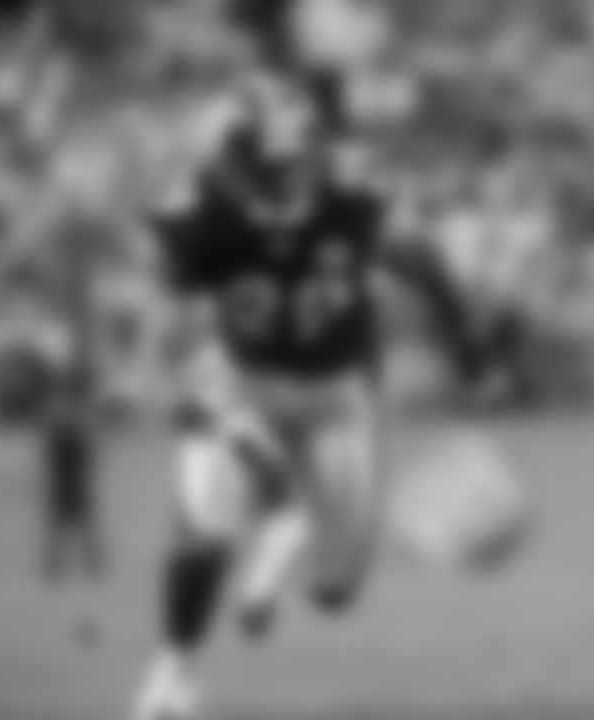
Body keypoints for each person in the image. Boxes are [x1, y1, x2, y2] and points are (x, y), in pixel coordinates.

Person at [132, 78, 388, 720]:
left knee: (334, 593)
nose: (286, 179)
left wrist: (466, 346)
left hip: (334, 391)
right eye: (269, 166)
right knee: (204, 533)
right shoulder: (199, 214)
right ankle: (173, 673)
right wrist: (156, 373)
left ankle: (284, 540)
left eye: (294, 162)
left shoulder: (354, 194)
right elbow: (169, 311)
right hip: (243, 376)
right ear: (229, 161)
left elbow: (406, 263)